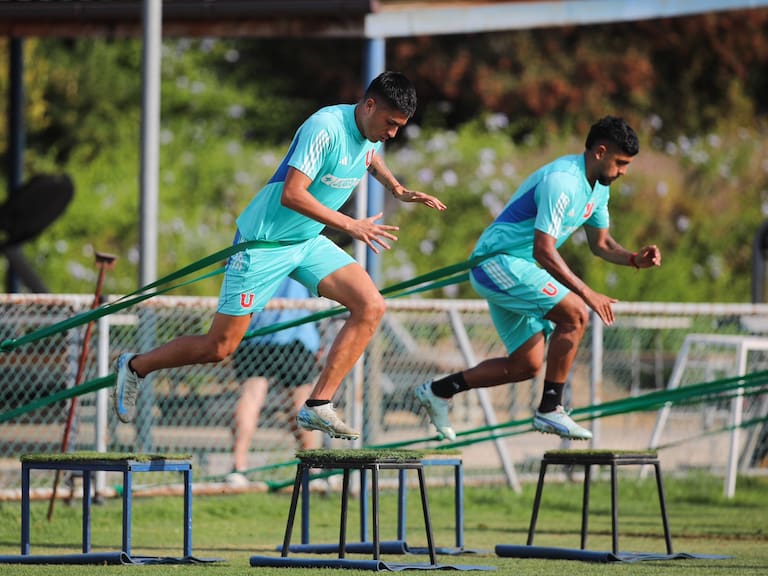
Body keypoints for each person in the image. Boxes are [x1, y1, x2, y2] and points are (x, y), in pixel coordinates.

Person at [112, 71, 447, 441]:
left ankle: (318, 405)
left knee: (371, 306)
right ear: (368, 106)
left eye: (399, 127)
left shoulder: (370, 132)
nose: (392, 134)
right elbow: (293, 194)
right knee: (219, 347)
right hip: (264, 242)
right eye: (390, 124)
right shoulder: (324, 128)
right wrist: (351, 226)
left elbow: (369, 157)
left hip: (306, 241)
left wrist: (397, 189)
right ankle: (136, 366)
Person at [415, 116, 661, 441]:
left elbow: (601, 244)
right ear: (601, 152)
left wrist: (634, 259)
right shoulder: (563, 181)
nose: (624, 172)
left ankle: (438, 391)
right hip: (496, 262)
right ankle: (550, 410)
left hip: (516, 269)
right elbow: (544, 250)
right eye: (621, 163)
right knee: (576, 314)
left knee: (526, 366)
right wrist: (588, 293)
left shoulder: (599, 189)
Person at [227, 278, 322, 484]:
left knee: (251, 397)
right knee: (299, 402)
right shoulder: (302, 245)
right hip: (291, 332)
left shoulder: (251, 247)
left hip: (255, 332)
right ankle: (311, 468)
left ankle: (238, 466)